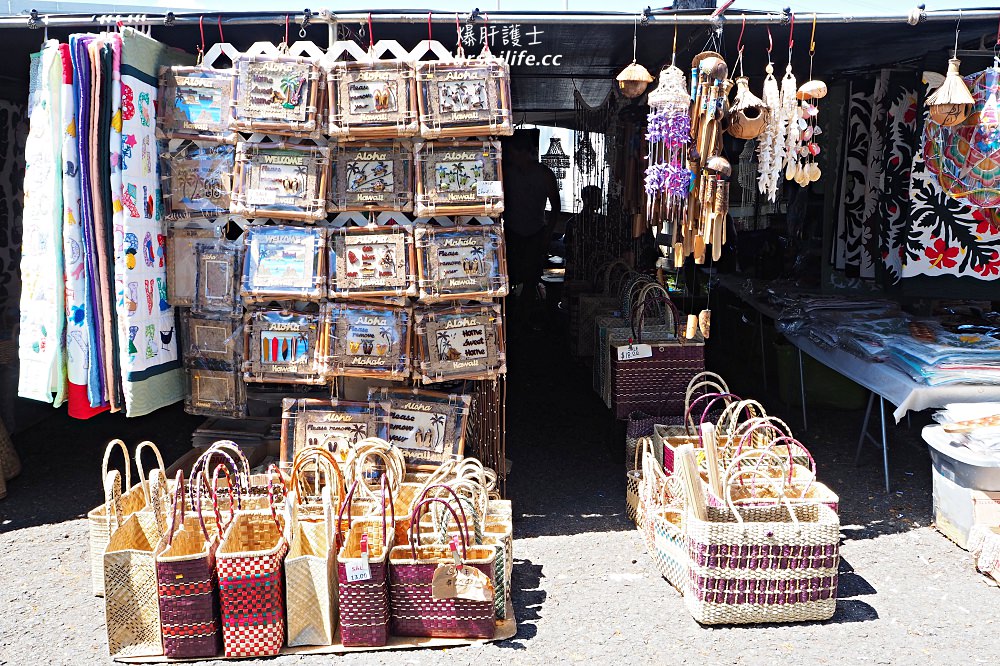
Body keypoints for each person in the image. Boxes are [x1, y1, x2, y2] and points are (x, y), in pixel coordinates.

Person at [502, 131, 561, 332]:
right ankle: (509, 319)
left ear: (524, 152)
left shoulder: (544, 173)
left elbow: (556, 207)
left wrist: (547, 234)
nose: (510, 156)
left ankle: (523, 321)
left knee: (531, 279)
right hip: (510, 232)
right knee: (507, 278)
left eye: (513, 153)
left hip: (535, 232)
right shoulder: (506, 173)